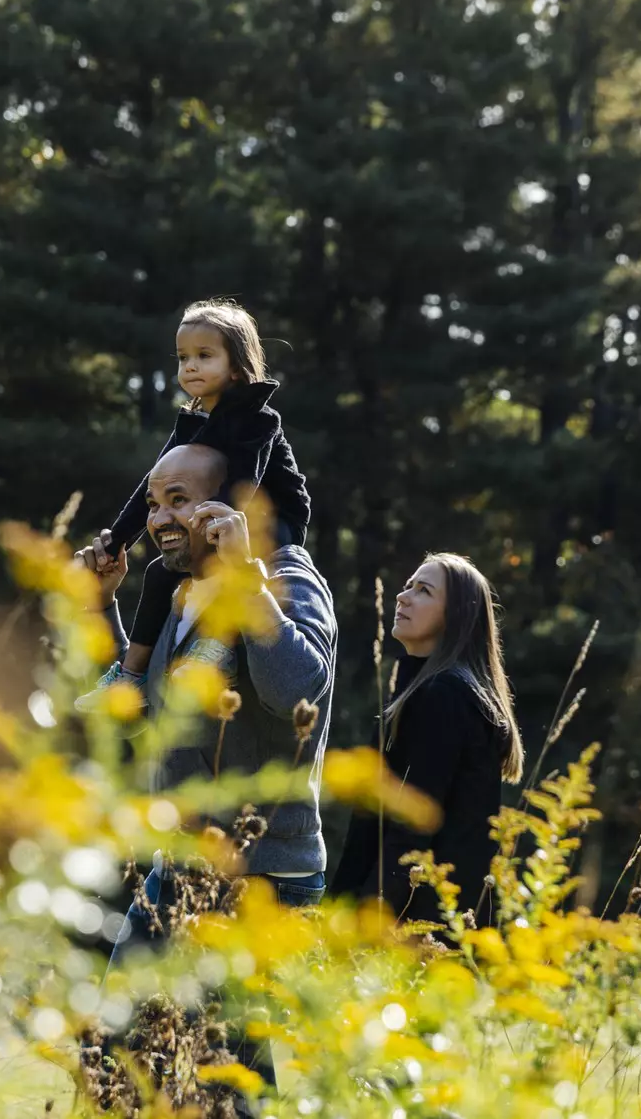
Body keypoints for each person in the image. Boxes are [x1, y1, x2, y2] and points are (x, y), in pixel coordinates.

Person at [82, 443, 336, 915]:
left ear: (228, 507)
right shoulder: (181, 592)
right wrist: (100, 605)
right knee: (121, 992)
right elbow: (136, 708)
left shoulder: (288, 577)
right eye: (153, 505)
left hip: (260, 882)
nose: (157, 521)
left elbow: (296, 692)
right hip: (177, 867)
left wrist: (246, 580)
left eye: (178, 501)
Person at [92, 300, 312, 696]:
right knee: (160, 572)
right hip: (216, 518)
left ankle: (218, 649)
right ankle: (132, 674)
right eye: (182, 357)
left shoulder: (258, 419)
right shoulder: (192, 423)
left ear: (236, 368)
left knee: (219, 564)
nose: (189, 366)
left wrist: (214, 528)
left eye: (203, 356)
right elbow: (152, 486)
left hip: (272, 522)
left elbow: (245, 484)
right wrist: (118, 540)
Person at [330, 553, 524, 927]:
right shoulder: (423, 689)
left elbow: (415, 823)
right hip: (426, 916)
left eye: (423, 591)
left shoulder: (445, 695)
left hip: (420, 925)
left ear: (456, 615)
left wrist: (366, 922)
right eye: (407, 586)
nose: (403, 597)